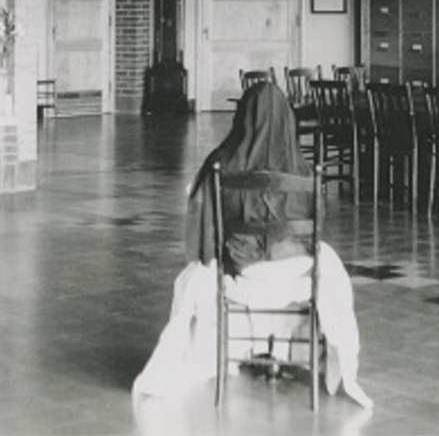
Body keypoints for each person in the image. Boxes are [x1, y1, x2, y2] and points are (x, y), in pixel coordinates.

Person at [132, 81, 373, 409]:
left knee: (193, 276)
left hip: (244, 274)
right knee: (330, 264)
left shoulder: (220, 164)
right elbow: (317, 226)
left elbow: (205, 226)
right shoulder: (303, 169)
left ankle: (221, 352)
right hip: (296, 274)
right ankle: (327, 361)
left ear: (242, 116)